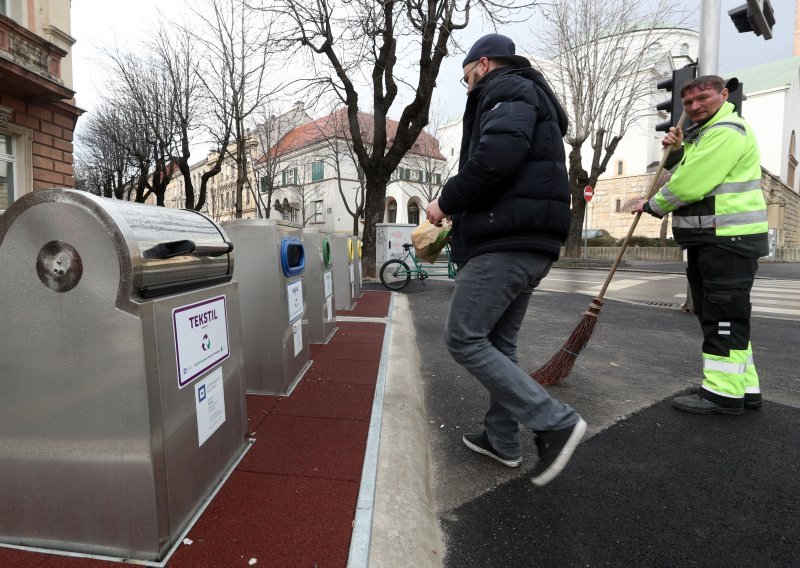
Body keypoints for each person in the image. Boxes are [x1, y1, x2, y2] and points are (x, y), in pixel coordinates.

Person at [425, 33, 586, 487]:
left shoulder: (506, 88)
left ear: (483, 63)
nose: (468, 84)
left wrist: (447, 202)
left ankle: (553, 421)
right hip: (527, 239)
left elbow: (497, 158)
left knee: (462, 338)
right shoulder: (528, 95)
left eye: (466, 76)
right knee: (499, 345)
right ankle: (501, 439)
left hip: (506, 241)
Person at [633, 75, 768, 415]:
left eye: (702, 98)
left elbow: (691, 184)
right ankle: (742, 388)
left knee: (721, 319)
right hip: (718, 240)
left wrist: (652, 205)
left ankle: (721, 395)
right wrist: (678, 152)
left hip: (725, 241)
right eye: (688, 103)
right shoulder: (708, 134)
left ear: (724, 95)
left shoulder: (725, 132)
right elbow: (691, 169)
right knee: (729, 318)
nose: (694, 107)